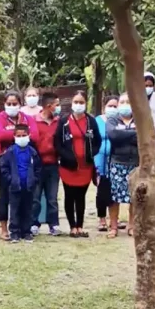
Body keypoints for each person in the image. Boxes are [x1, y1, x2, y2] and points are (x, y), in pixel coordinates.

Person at [0, 91, 38, 241]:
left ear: (20, 104)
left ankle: (24, 228)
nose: (12, 106)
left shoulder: (28, 118)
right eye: (9, 104)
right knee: (5, 195)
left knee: (24, 196)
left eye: (14, 103)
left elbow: (35, 136)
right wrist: (20, 132)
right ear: (4, 104)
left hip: (24, 160)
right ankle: (5, 228)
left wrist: (10, 132)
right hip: (6, 161)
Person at [55, 91, 101, 238]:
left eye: (81, 102)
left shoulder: (91, 121)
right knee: (69, 196)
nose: (78, 105)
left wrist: (90, 153)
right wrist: (67, 156)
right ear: (71, 103)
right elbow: (58, 143)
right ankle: (72, 227)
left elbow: (97, 141)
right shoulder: (64, 121)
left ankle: (80, 226)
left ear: (86, 104)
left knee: (81, 196)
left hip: (85, 167)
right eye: (76, 102)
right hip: (68, 167)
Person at [105, 93, 138, 239]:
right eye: (122, 102)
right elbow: (113, 135)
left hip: (135, 163)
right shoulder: (113, 119)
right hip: (117, 162)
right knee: (114, 197)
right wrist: (132, 133)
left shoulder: (139, 118)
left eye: (128, 101)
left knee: (135, 196)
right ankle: (113, 226)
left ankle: (132, 226)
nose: (125, 105)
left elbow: (142, 136)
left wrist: (123, 134)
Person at [31, 91, 62, 236]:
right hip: (37, 165)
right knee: (35, 197)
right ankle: (33, 223)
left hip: (53, 165)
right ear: (49, 106)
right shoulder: (34, 121)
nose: (58, 107)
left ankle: (54, 224)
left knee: (52, 197)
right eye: (56, 105)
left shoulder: (58, 122)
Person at [1, 122, 39, 243]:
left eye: (24, 135)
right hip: (14, 187)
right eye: (19, 135)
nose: (21, 138)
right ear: (14, 136)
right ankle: (15, 232)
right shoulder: (10, 152)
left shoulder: (32, 152)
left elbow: (38, 168)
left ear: (28, 135)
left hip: (28, 187)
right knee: (15, 209)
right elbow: (4, 168)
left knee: (28, 209)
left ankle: (26, 232)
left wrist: (34, 180)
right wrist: (10, 180)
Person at [95, 96, 118, 234]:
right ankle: (102, 218)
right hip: (100, 158)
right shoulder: (97, 121)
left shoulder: (119, 121)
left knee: (114, 189)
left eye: (115, 106)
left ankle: (114, 218)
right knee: (102, 188)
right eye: (110, 106)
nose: (113, 109)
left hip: (116, 159)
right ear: (104, 107)